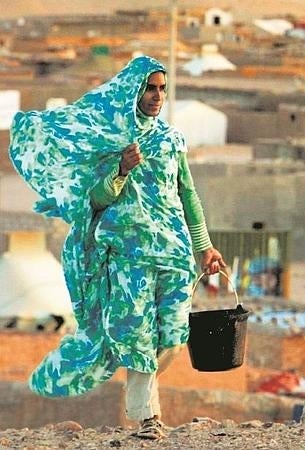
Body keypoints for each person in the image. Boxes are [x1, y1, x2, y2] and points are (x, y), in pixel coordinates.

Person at [9, 55, 226, 439]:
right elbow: (93, 200)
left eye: (162, 89)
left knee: (174, 337)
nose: (157, 96)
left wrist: (204, 248)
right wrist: (121, 169)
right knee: (138, 334)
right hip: (129, 256)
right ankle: (148, 418)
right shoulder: (111, 144)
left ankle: (140, 392)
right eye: (149, 88)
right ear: (133, 92)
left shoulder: (171, 140)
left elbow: (188, 194)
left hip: (174, 252)